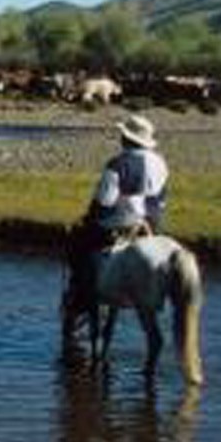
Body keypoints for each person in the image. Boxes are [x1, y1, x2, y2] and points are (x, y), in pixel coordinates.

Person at [65, 115, 170, 315]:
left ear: (127, 138)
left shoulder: (118, 163)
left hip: (120, 223)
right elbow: (161, 200)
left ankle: (81, 297)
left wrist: (88, 219)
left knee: (79, 246)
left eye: (122, 134)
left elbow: (105, 201)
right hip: (152, 224)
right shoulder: (161, 163)